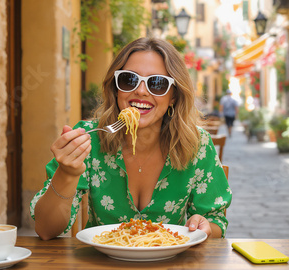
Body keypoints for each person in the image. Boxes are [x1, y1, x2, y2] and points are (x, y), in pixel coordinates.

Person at [30, 37, 232, 241]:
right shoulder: (90, 139)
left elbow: (215, 221)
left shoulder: (198, 145)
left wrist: (203, 225)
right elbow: (46, 230)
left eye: (158, 83)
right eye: (129, 80)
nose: (141, 91)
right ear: (116, 88)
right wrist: (66, 173)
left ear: (174, 96)